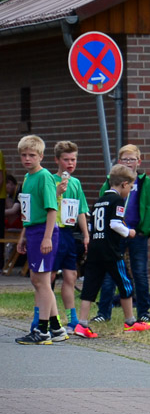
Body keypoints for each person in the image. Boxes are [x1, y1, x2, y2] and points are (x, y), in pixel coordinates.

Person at [71, 164, 150, 338]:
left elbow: (93, 225)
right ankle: (130, 321)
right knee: (125, 284)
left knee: (90, 286)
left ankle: (82, 324)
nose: (130, 191)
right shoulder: (117, 201)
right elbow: (115, 224)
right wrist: (129, 232)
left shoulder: (99, 200)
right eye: (130, 187)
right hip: (111, 250)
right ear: (124, 184)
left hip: (95, 249)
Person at [96, 145, 150, 323]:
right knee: (110, 272)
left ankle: (144, 311)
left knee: (139, 272)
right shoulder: (110, 181)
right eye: (125, 159)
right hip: (115, 235)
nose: (128, 162)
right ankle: (103, 312)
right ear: (119, 161)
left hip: (136, 233)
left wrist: (143, 230)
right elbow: (103, 201)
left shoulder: (145, 182)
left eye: (132, 159)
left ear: (139, 161)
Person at [15, 136, 61, 345]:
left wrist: (47, 237)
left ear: (41, 156)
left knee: (42, 281)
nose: (27, 159)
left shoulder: (44, 177)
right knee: (36, 280)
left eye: (32, 155)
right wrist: (23, 236)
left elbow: (51, 209)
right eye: (24, 155)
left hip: (44, 231)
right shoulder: (27, 178)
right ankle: (56, 327)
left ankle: (43, 330)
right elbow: (28, 210)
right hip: (32, 231)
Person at [51, 141, 91, 333]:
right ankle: (49, 316)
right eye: (66, 160)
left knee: (71, 275)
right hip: (53, 231)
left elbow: (81, 209)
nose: (70, 163)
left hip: (68, 232)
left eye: (73, 159)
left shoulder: (75, 183)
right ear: (57, 160)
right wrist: (57, 192)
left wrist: (86, 234)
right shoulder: (50, 180)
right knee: (50, 275)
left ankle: (72, 318)